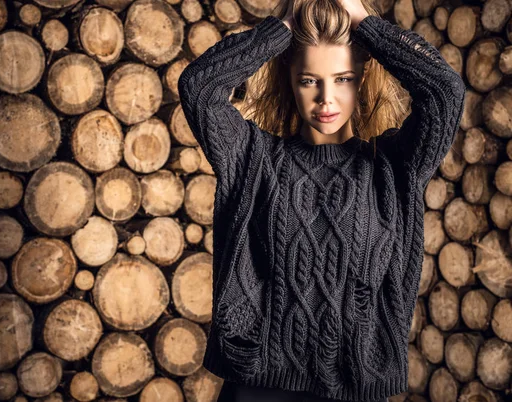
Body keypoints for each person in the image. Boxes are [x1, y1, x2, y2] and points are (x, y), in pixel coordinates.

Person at [177, 0, 466, 400]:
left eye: (343, 78)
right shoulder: (252, 159)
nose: (326, 99)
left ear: (363, 76)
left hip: (356, 387)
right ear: (289, 78)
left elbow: (445, 92)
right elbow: (198, 88)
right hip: (258, 388)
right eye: (310, 80)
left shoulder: (395, 169)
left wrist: (363, 21)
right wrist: (282, 26)